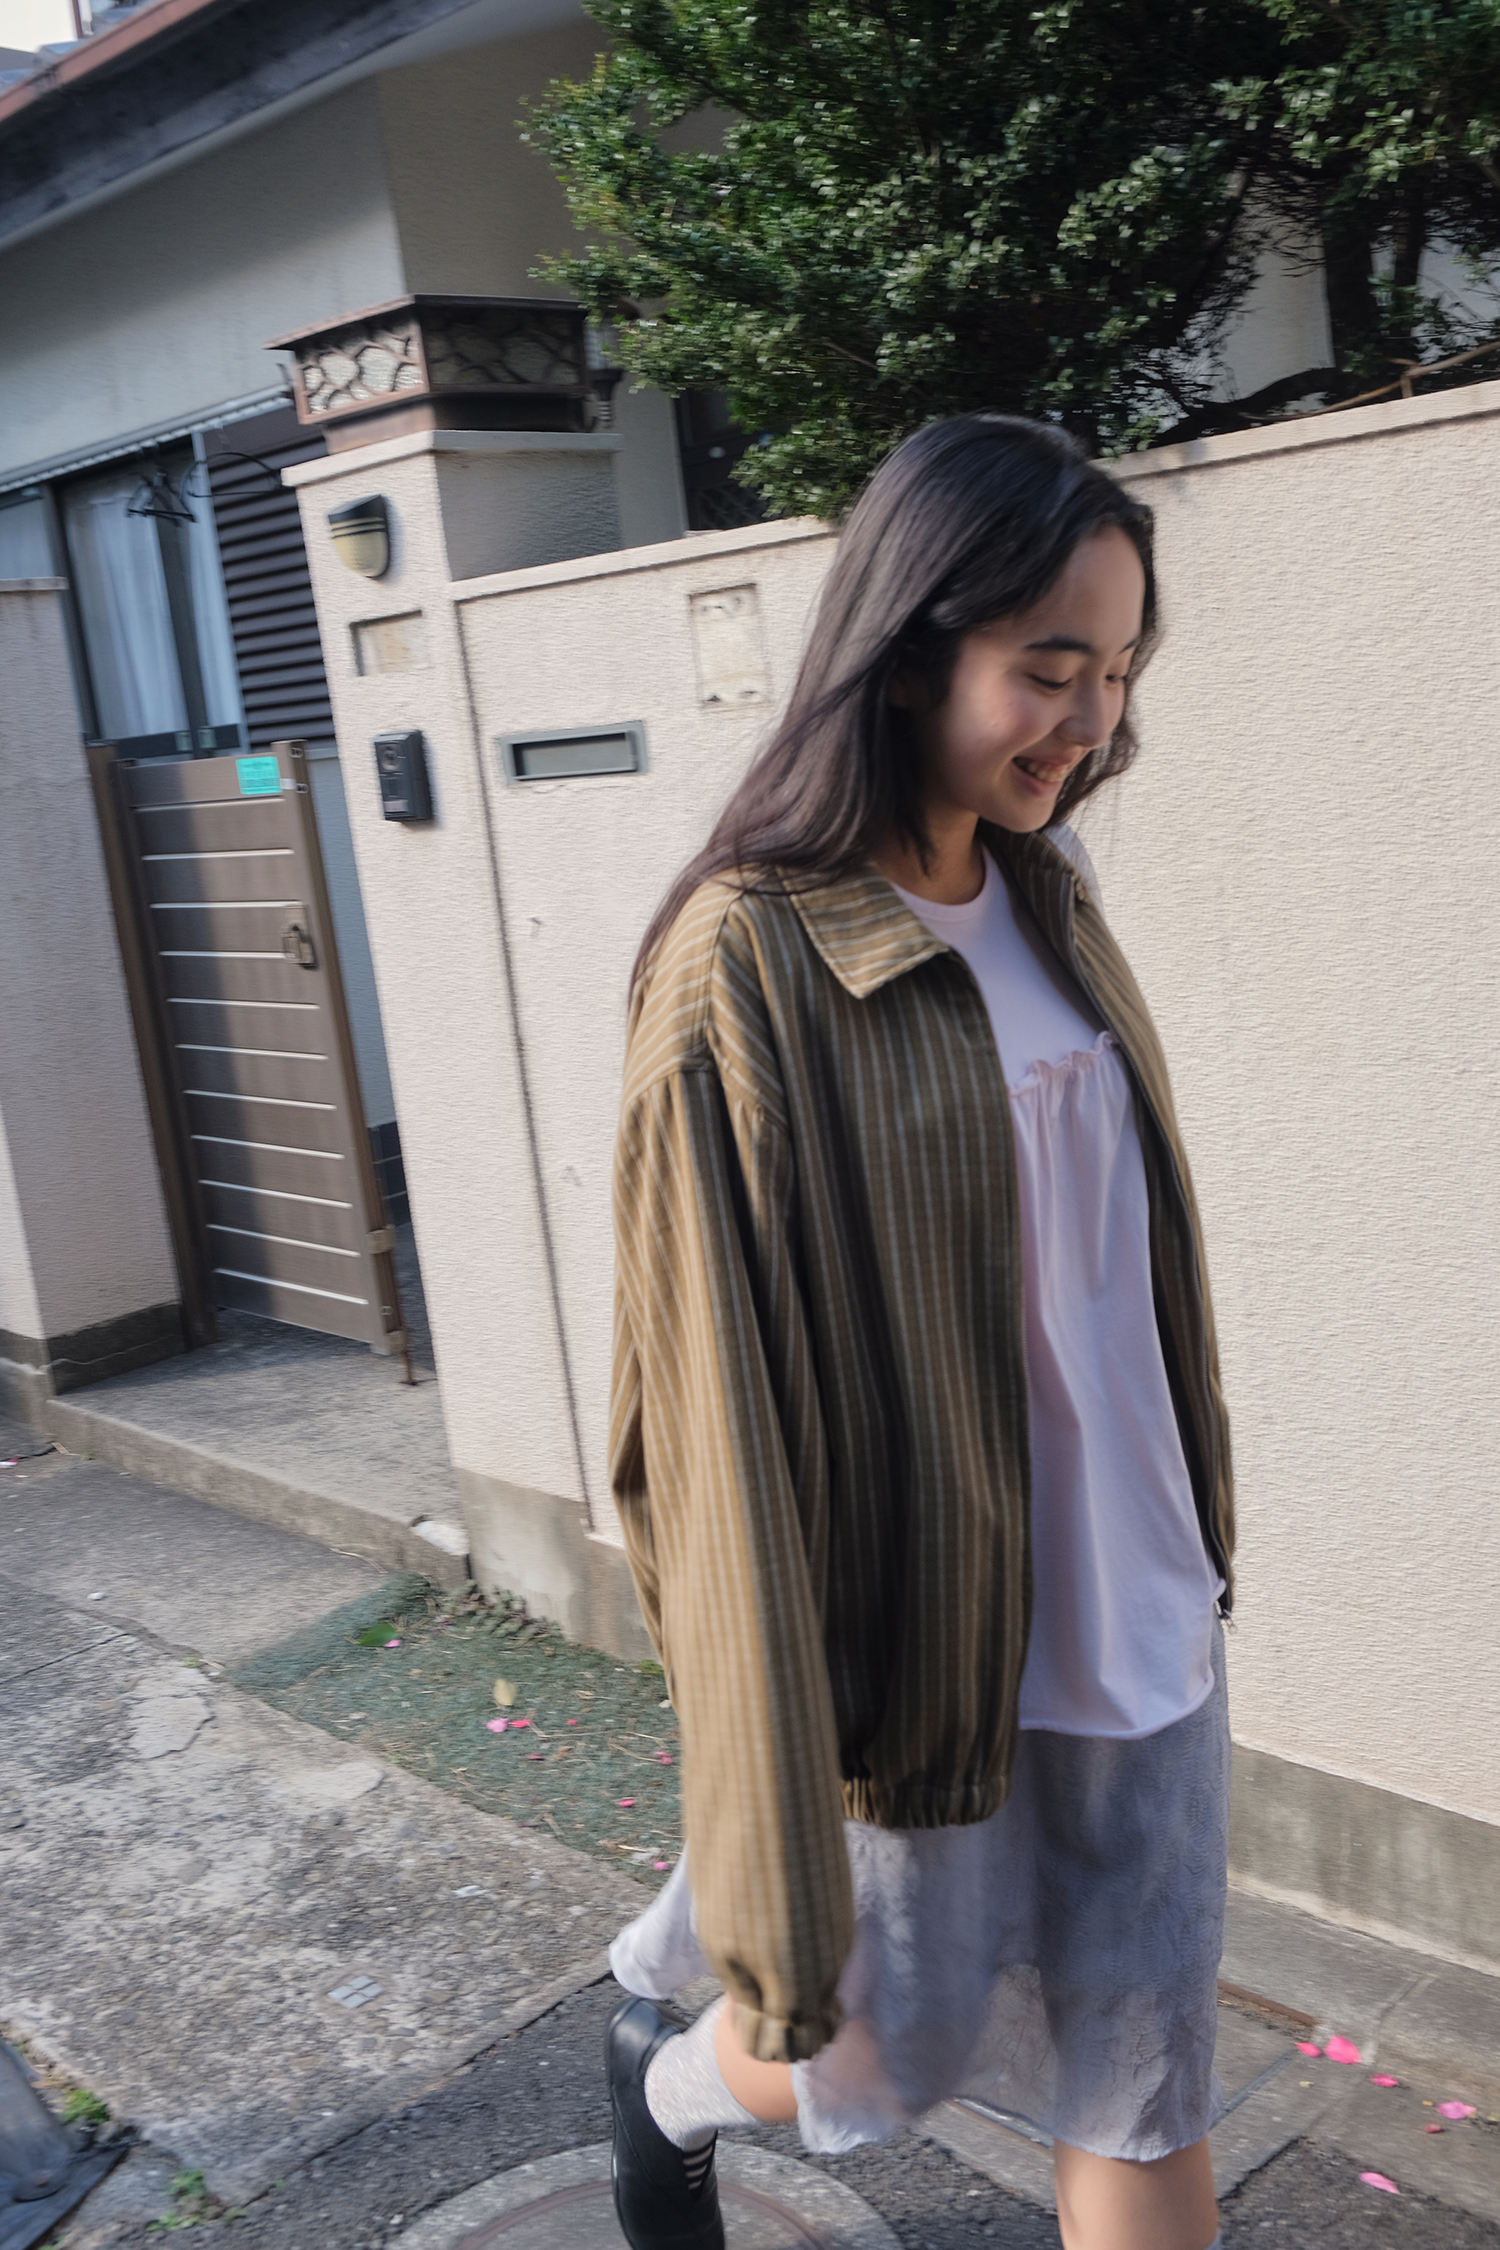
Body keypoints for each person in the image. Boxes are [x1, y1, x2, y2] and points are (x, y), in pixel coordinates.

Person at [603, 414, 1233, 2250]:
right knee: (877, 2042)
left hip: (1144, 1597)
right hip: (923, 1643)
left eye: (1119, 670)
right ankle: (666, 2086)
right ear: (907, 648)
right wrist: (766, 1743)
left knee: (1141, 2075)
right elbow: (708, 1421)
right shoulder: (747, 958)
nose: (1091, 718)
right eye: (1051, 665)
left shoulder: (1050, 887)